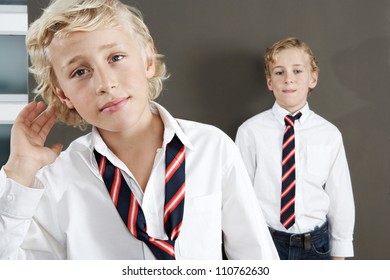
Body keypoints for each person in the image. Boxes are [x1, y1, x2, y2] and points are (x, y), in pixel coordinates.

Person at [0, 0, 278, 260]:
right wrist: (19, 172)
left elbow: (258, 257)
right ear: (64, 95)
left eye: (116, 57)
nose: (105, 84)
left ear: (147, 59)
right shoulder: (55, 181)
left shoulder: (212, 147)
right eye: (80, 72)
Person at [235, 37, 355, 260]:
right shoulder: (250, 132)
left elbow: (340, 196)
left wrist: (341, 252)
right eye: (279, 72)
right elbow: (240, 195)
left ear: (313, 78)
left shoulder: (329, 134)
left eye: (297, 71)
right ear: (270, 82)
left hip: (315, 245)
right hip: (266, 242)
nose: (288, 79)